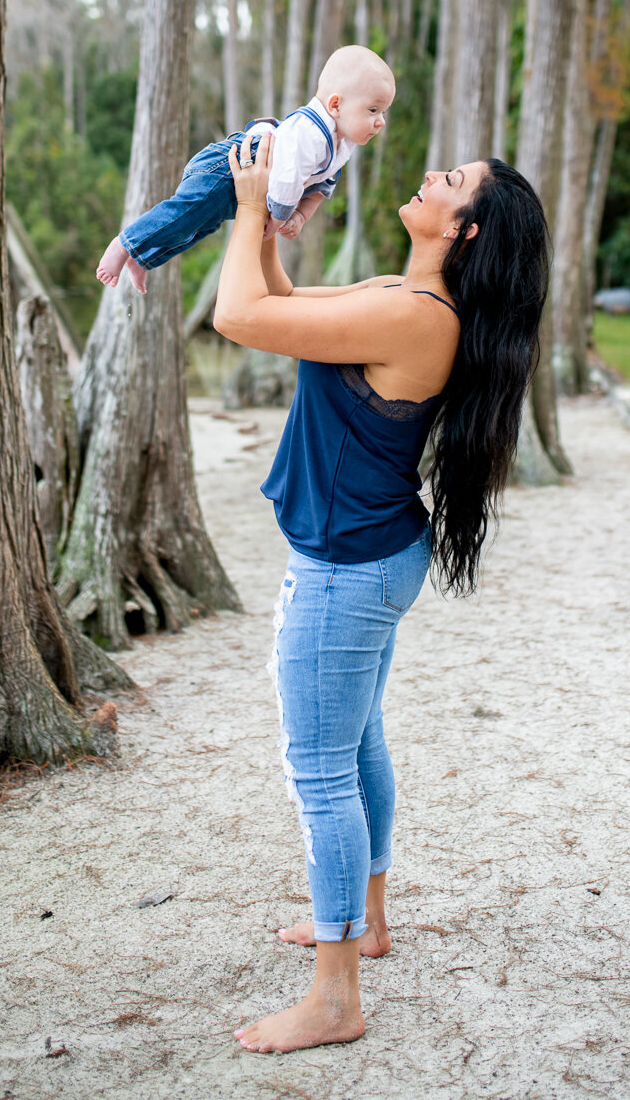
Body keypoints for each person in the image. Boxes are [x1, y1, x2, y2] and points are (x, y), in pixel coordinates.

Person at [213, 133, 550, 1055]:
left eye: (453, 182)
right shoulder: (402, 300)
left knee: (318, 769)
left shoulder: (416, 318)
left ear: (464, 227)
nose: (433, 174)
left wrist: (245, 209)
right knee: (355, 747)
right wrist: (277, 230)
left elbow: (234, 317)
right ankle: (367, 922)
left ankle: (335, 999)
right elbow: (274, 303)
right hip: (371, 555)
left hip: (348, 569)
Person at [95, 45, 395, 294]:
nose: (380, 121)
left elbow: (320, 189)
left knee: (200, 225)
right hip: (226, 167)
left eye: (383, 112)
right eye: (372, 110)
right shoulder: (311, 134)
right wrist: (278, 218)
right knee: (189, 211)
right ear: (335, 105)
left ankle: (143, 257)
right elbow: (287, 181)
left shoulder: (342, 146)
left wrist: (300, 216)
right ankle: (124, 244)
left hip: (242, 188)